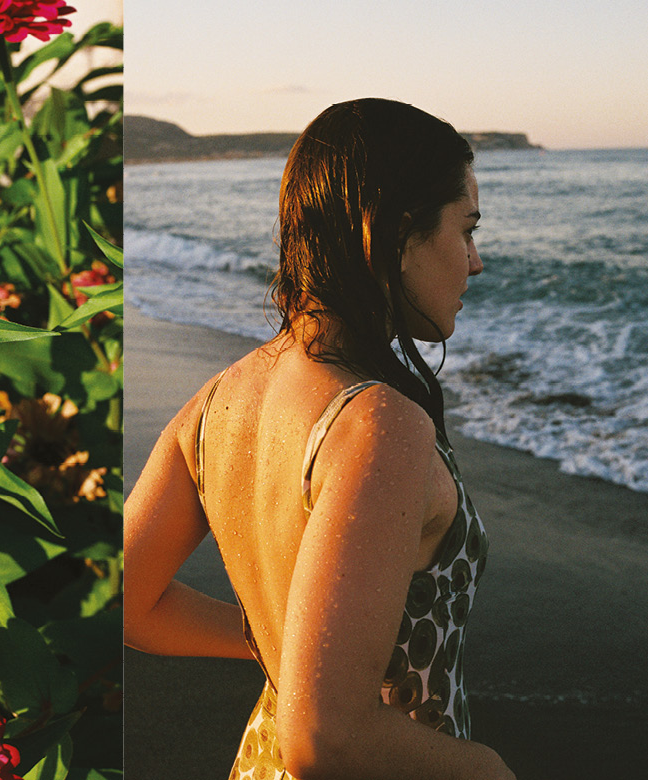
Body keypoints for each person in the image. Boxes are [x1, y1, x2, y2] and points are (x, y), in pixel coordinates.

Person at [123, 98, 517, 779]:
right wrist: (488, 770)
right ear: (395, 235)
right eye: (466, 229)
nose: (475, 262)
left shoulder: (215, 401)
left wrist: (287, 653)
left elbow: (128, 600)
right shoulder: (377, 424)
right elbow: (327, 743)